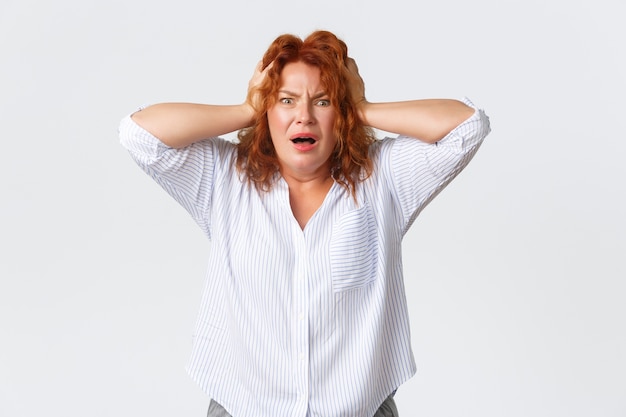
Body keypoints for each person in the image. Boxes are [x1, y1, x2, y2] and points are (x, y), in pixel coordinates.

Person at [119, 30, 491, 417]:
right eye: (286, 100)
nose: (304, 116)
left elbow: (466, 127)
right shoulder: (224, 178)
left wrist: (360, 104)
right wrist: (247, 108)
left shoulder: (384, 179)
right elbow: (140, 134)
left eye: (323, 101)